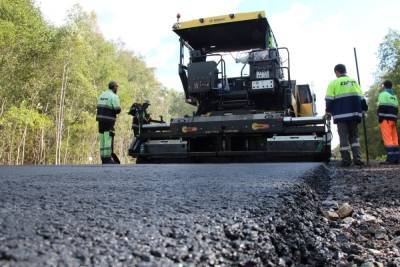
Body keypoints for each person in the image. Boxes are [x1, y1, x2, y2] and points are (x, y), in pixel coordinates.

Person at [325, 64, 368, 167]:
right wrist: (364, 109)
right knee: (354, 137)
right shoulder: (354, 82)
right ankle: (357, 159)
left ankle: (346, 160)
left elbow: (329, 99)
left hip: (340, 116)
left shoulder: (334, 83)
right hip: (354, 114)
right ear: (345, 71)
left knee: (343, 137)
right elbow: (361, 98)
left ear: (336, 72)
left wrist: (328, 111)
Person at [96, 81, 121, 164]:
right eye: (117, 87)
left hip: (100, 120)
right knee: (108, 138)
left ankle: (103, 158)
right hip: (109, 120)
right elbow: (117, 109)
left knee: (102, 138)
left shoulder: (102, 95)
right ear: (114, 87)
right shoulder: (114, 96)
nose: (117, 89)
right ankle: (108, 159)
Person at [377, 80, 399, 164]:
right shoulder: (394, 96)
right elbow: (396, 109)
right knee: (394, 139)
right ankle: (397, 158)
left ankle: (391, 159)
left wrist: (380, 117)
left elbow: (382, 106)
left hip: (385, 120)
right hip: (393, 120)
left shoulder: (383, 94)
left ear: (384, 86)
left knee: (388, 139)